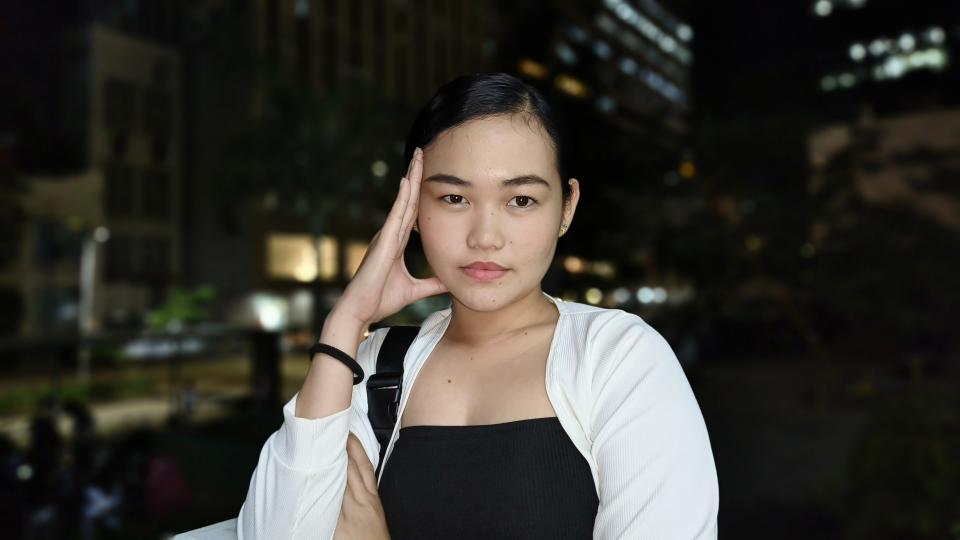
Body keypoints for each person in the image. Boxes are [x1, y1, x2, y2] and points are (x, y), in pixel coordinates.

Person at [238, 72, 719, 539]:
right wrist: (346, 320)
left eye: (521, 201)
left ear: (566, 208)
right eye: (453, 197)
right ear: (410, 208)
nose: (485, 237)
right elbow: (275, 532)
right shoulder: (376, 367)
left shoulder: (618, 358)